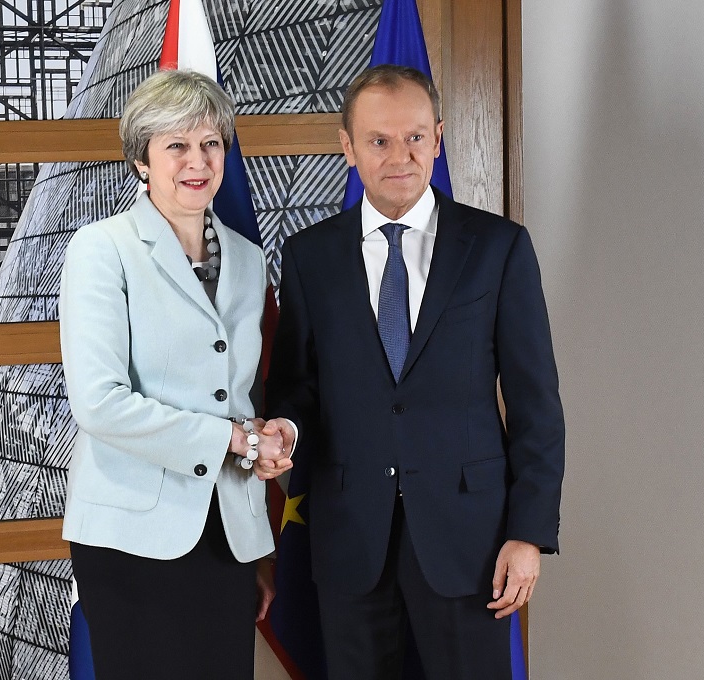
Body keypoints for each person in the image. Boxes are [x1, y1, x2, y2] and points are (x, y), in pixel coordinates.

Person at [263, 64, 565, 680]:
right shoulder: (309, 256)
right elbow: (297, 386)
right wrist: (288, 432)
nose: (400, 156)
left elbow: (537, 404)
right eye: (378, 140)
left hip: (471, 542)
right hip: (350, 537)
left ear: (440, 136)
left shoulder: (499, 248)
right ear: (347, 146)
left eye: (416, 138)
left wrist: (528, 533)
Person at [59, 69, 292, 680]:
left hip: (227, 533)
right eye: (177, 146)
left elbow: (238, 394)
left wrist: (260, 450)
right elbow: (98, 402)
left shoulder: (246, 257)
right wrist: (231, 441)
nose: (198, 161)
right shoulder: (101, 248)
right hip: (132, 534)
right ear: (142, 159)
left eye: (211, 143)